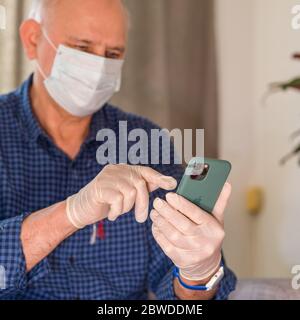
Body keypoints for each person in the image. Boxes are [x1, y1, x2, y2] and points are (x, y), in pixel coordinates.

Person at [0, 0, 236, 300]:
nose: (99, 67)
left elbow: (177, 295)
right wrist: (70, 213)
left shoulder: (147, 141)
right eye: (82, 48)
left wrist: (198, 272)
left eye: (113, 54)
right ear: (32, 39)